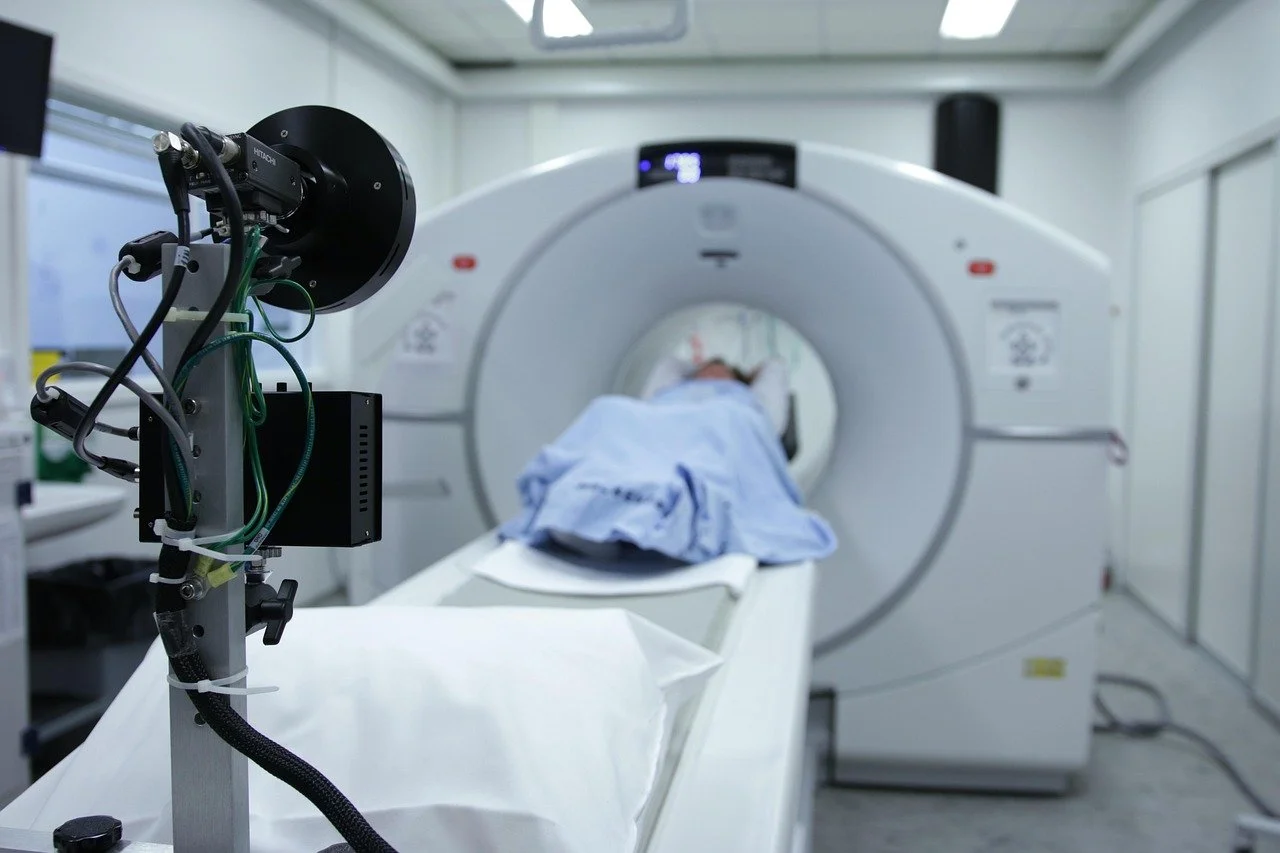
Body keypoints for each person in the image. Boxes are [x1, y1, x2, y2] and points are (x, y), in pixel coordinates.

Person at [500, 353, 836, 565]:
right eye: (707, 367)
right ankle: (590, 506)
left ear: (739, 378)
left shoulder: (743, 400)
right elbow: (669, 364)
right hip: (658, 421)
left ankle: (642, 521)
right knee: (609, 410)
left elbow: (775, 368)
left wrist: (750, 375)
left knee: (711, 443)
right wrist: (696, 367)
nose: (712, 372)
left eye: (721, 369)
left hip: (719, 422)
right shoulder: (670, 390)